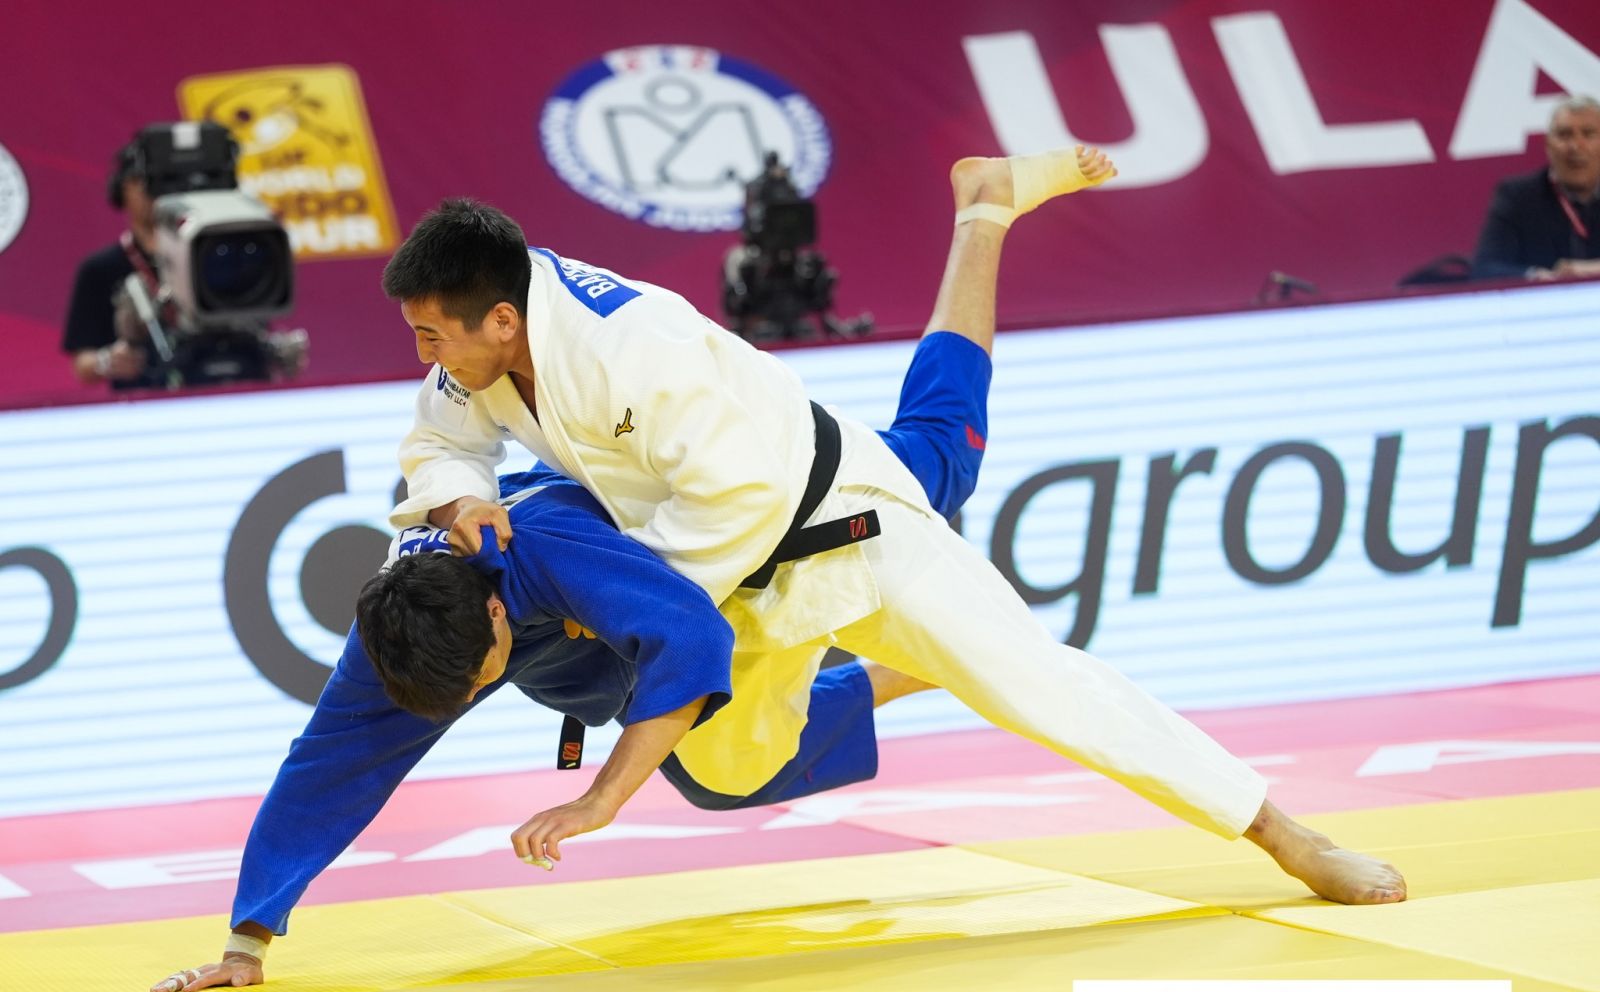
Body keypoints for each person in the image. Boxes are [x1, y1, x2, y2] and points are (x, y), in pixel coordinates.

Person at [378, 146, 1406, 907]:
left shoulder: (632, 351)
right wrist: (461, 496)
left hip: (844, 524)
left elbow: (740, 503)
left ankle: (1287, 835)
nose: (426, 356)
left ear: (500, 319)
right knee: (729, 769)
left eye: (432, 336)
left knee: (1036, 679)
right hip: (723, 579)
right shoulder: (491, 340)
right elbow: (436, 439)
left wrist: (625, 606)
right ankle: (899, 665)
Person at [149, 322, 979, 992]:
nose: (473, 694)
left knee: (940, 465)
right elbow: (325, 771)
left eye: (479, 677)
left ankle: (980, 219)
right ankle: (896, 675)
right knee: (717, 778)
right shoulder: (397, 633)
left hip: (708, 551)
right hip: (602, 637)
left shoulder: (546, 545)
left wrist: (600, 798)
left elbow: (692, 639)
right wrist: (245, 942)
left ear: (496, 608)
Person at [60, 138, 162, 389]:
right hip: (144, 400)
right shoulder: (101, 269)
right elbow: (82, 364)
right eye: (142, 181)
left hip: (228, 395)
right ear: (122, 190)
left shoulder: (216, 256)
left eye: (164, 181)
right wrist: (107, 361)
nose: (154, 192)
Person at [1473, 94, 1600, 281]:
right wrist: (1537, 278)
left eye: (1588, 134)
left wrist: (1591, 270)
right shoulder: (1518, 196)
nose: (1575, 146)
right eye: (1564, 135)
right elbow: (1485, 268)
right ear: (1548, 145)